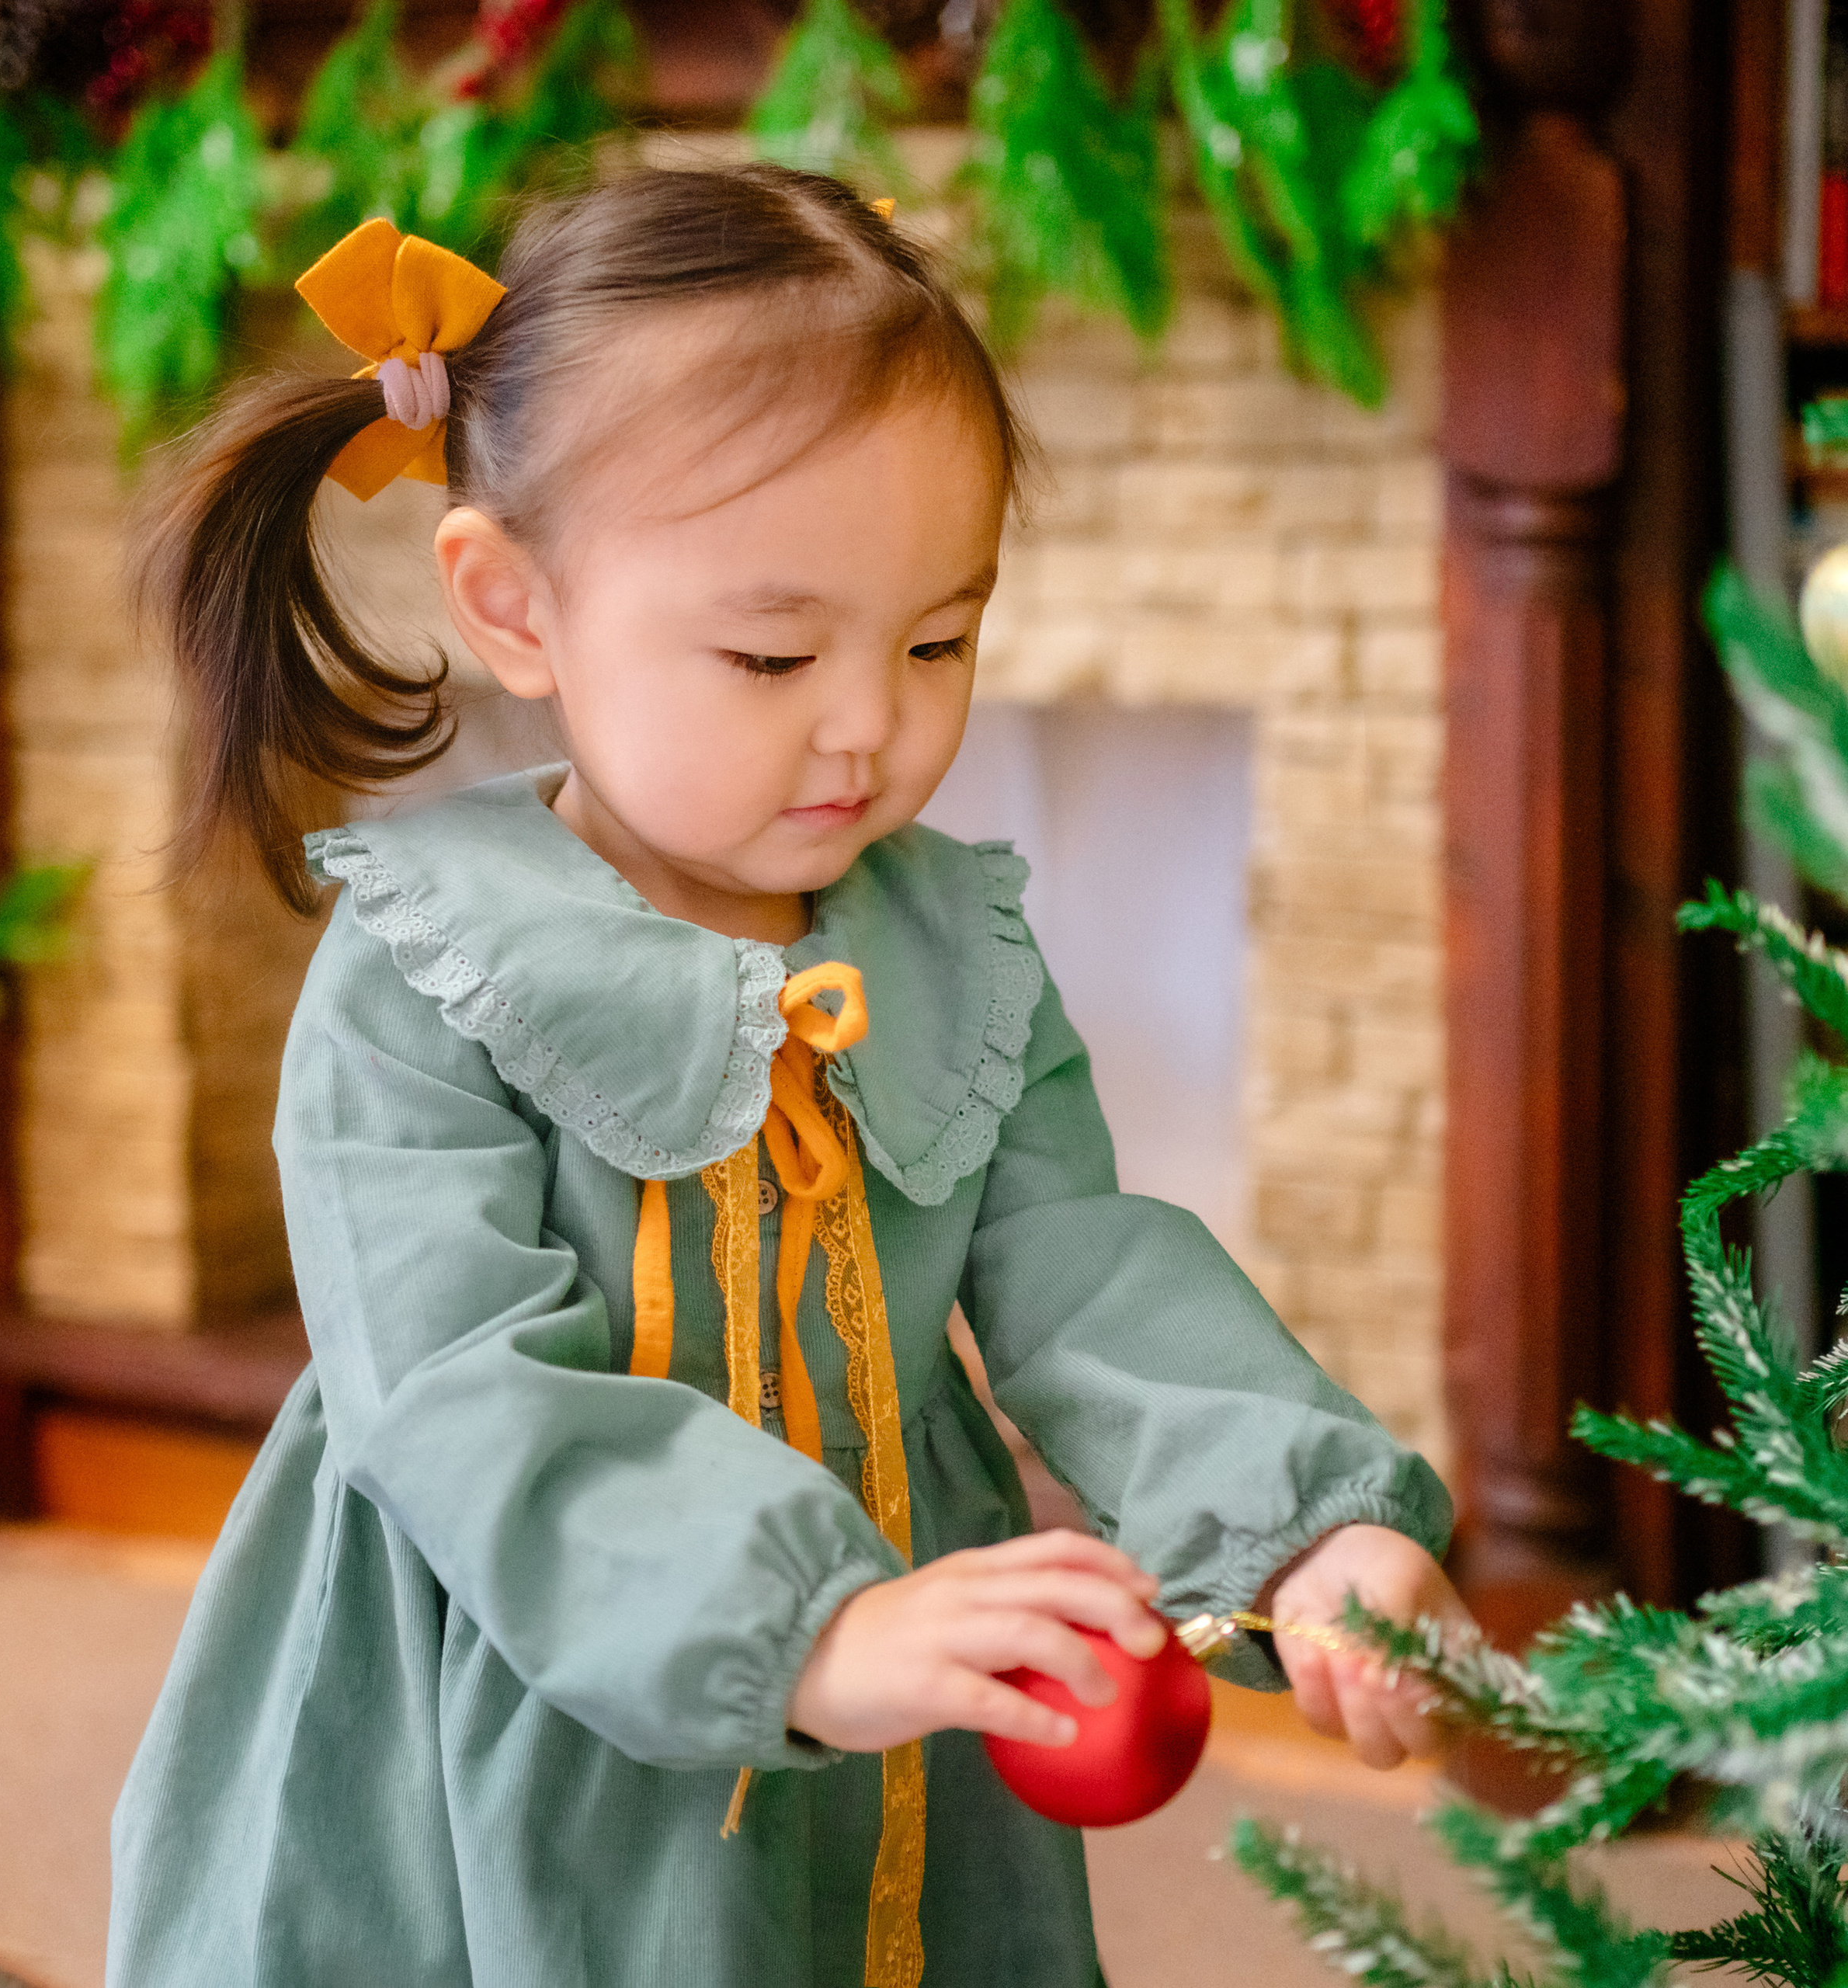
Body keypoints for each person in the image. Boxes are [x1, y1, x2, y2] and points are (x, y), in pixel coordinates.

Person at [108, 165, 1464, 1988]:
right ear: (514, 608)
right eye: (770, 651)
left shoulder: (952, 951)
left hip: (899, 1632)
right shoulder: (417, 976)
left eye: (935, 640)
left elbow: (1087, 1270)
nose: (870, 720)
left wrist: (1307, 1524)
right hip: (515, 1662)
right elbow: (459, 1395)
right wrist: (804, 1619)